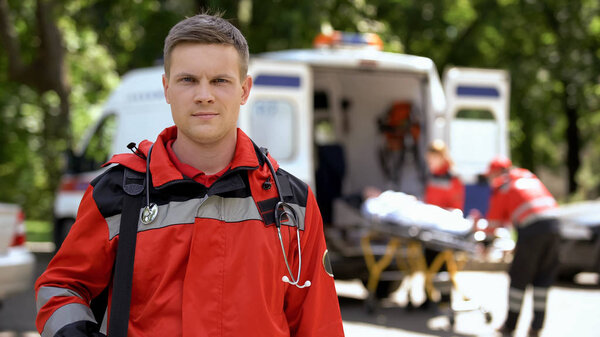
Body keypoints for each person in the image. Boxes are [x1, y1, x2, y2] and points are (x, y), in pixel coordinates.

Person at [35, 13, 344, 337]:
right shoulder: (117, 194)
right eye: (188, 80)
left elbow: (318, 323)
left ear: (244, 89)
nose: (204, 95)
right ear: (167, 88)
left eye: (220, 81)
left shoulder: (293, 203)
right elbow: (61, 288)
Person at [486, 156, 560, 337]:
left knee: (519, 277)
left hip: (533, 232)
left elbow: (494, 221)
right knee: (543, 279)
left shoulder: (503, 185)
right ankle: (536, 327)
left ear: (496, 172)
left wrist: (485, 242)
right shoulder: (529, 177)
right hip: (556, 227)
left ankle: (509, 327)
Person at [423, 139, 464, 211]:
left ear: (442, 158)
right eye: (429, 158)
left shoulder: (453, 178)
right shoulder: (430, 175)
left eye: (434, 158)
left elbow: (456, 208)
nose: (430, 161)